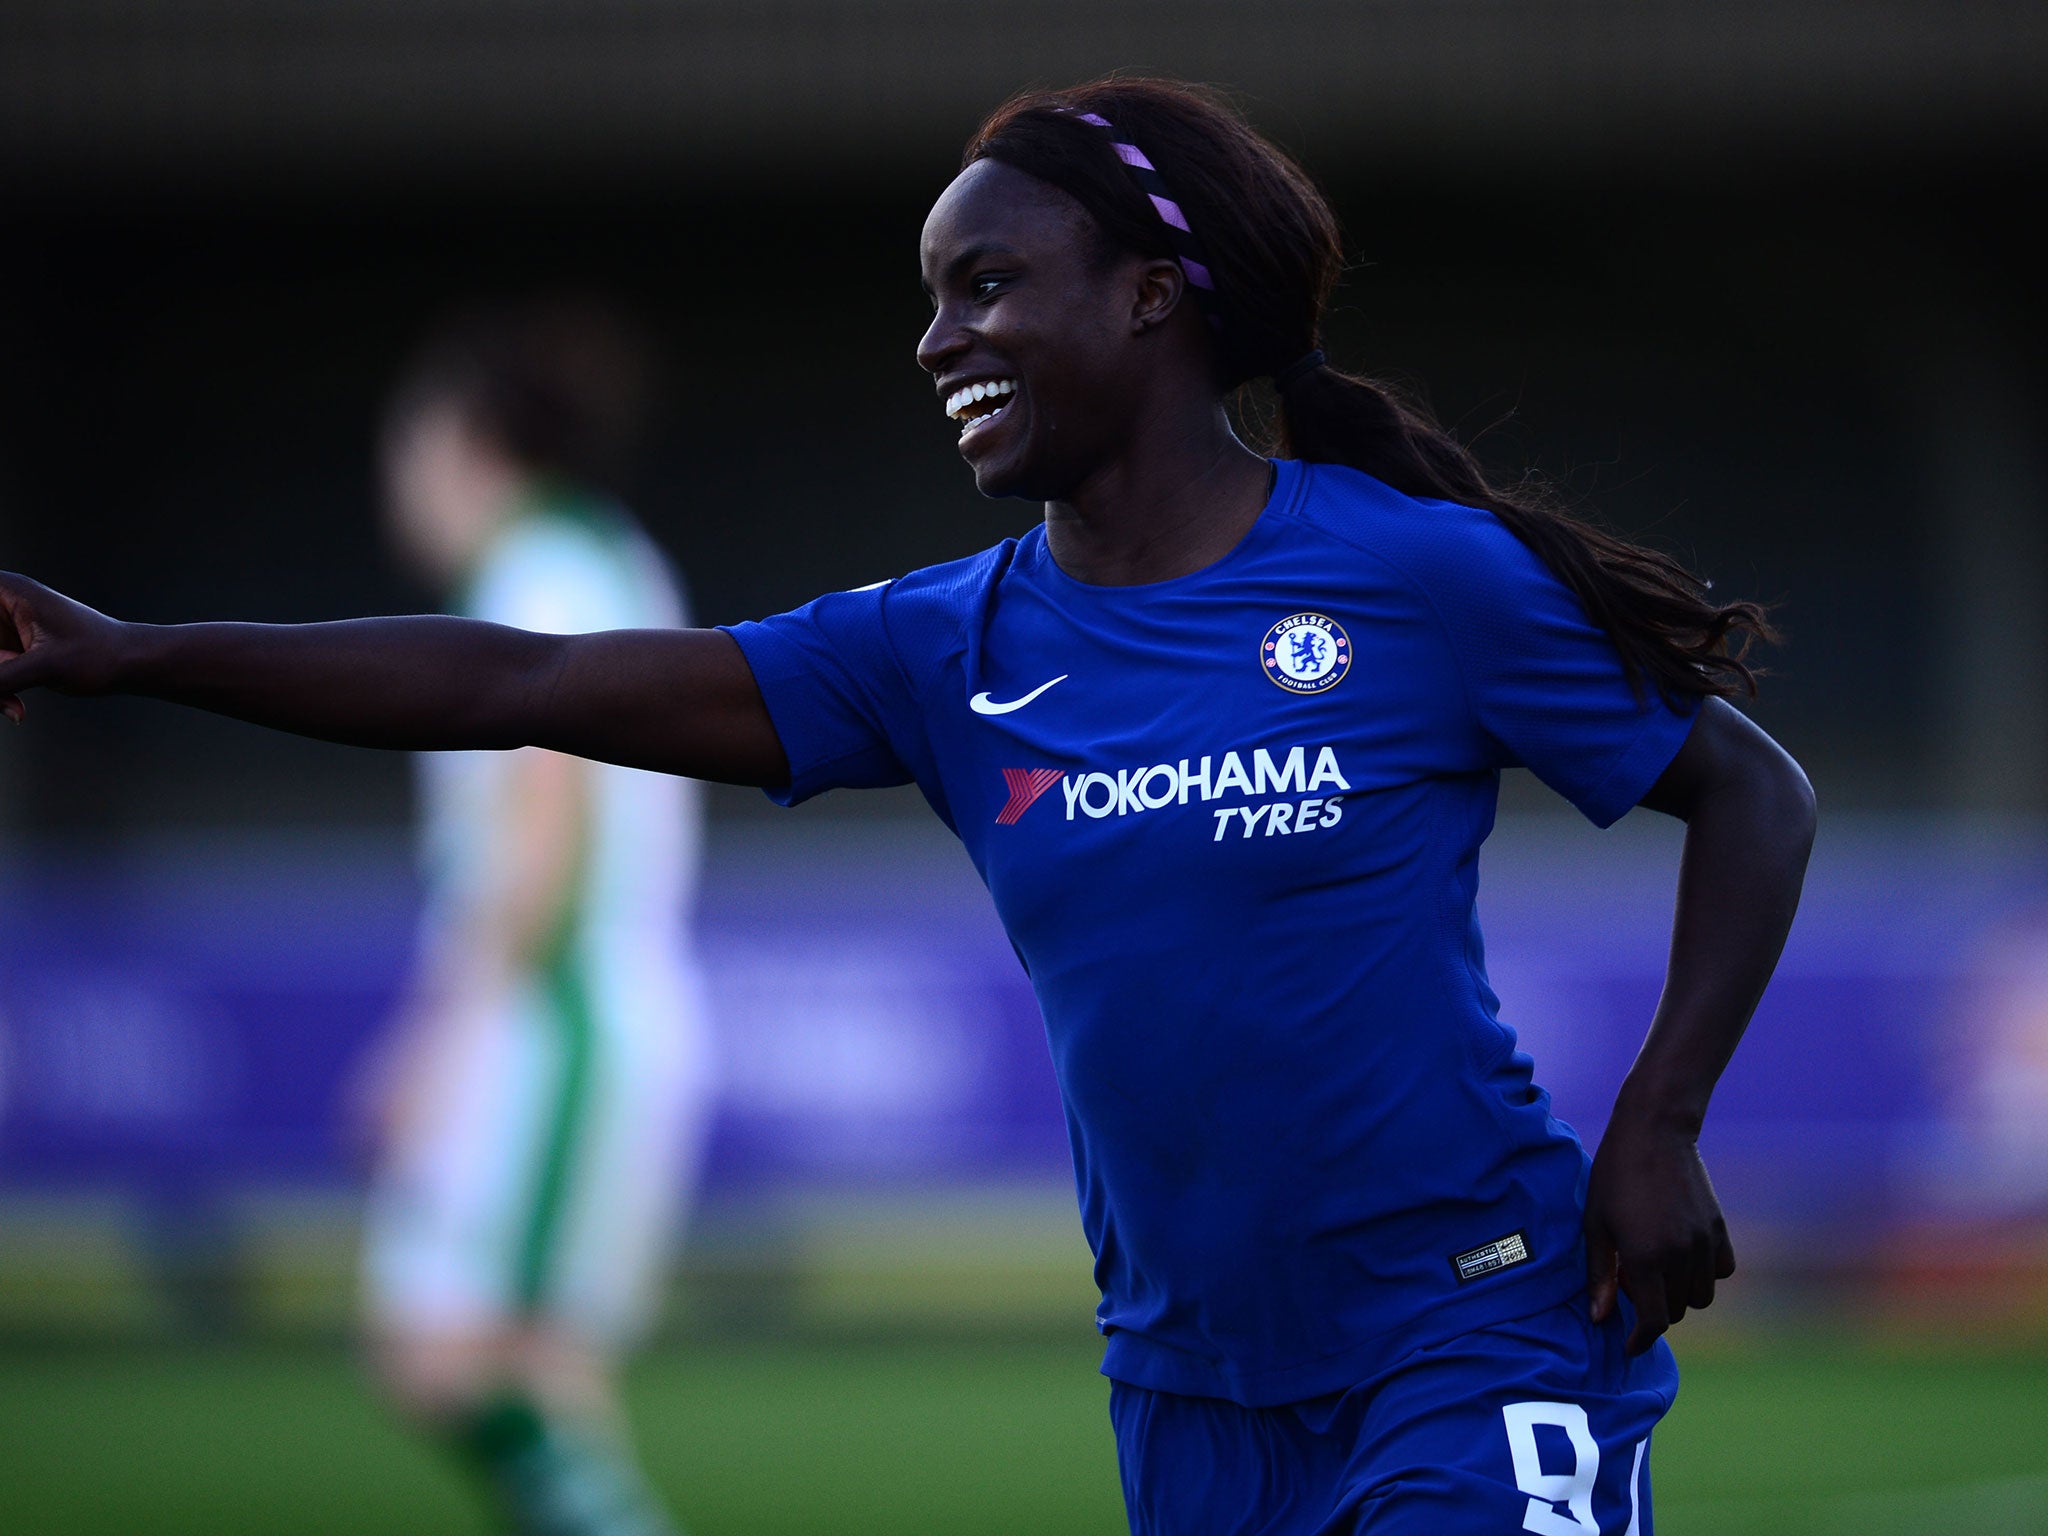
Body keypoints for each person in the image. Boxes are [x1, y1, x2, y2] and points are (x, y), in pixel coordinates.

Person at [0, 78, 1813, 1536]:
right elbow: (521, 684)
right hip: (1185, 1392)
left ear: (1150, 296)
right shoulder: (934, 650)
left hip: (1472, 1325)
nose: (939, 338)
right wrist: (134, 652)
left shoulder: (1418, 581)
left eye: (988, 285)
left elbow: (1747, 792)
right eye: (931, 298)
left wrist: (1655, 1124)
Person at [354, 302, 711, 1536]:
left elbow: (540, 829)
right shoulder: (604, 557)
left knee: (442, 1354)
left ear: (464, 440)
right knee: (542, 1377)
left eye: (408, 437)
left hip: (552, 1023)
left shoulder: (536, 571)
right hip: (593, 1011)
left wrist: (434, 1041)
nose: (397, 472)